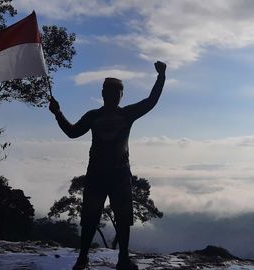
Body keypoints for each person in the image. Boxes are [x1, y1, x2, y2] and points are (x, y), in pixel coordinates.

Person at [49, 61, 166, 270]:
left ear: (120, 95)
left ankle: (116, 259)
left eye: (115, 92)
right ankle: (86, 258)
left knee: (120, 218)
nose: (112, 96)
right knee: (91, 218)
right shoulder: (97, 116)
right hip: (99, 174)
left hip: (116, 174)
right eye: (109, 92)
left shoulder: (124, 114)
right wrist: (58, 113)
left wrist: (161, 77)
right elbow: (73, 132)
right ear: (103, 94)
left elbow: (151, 100)